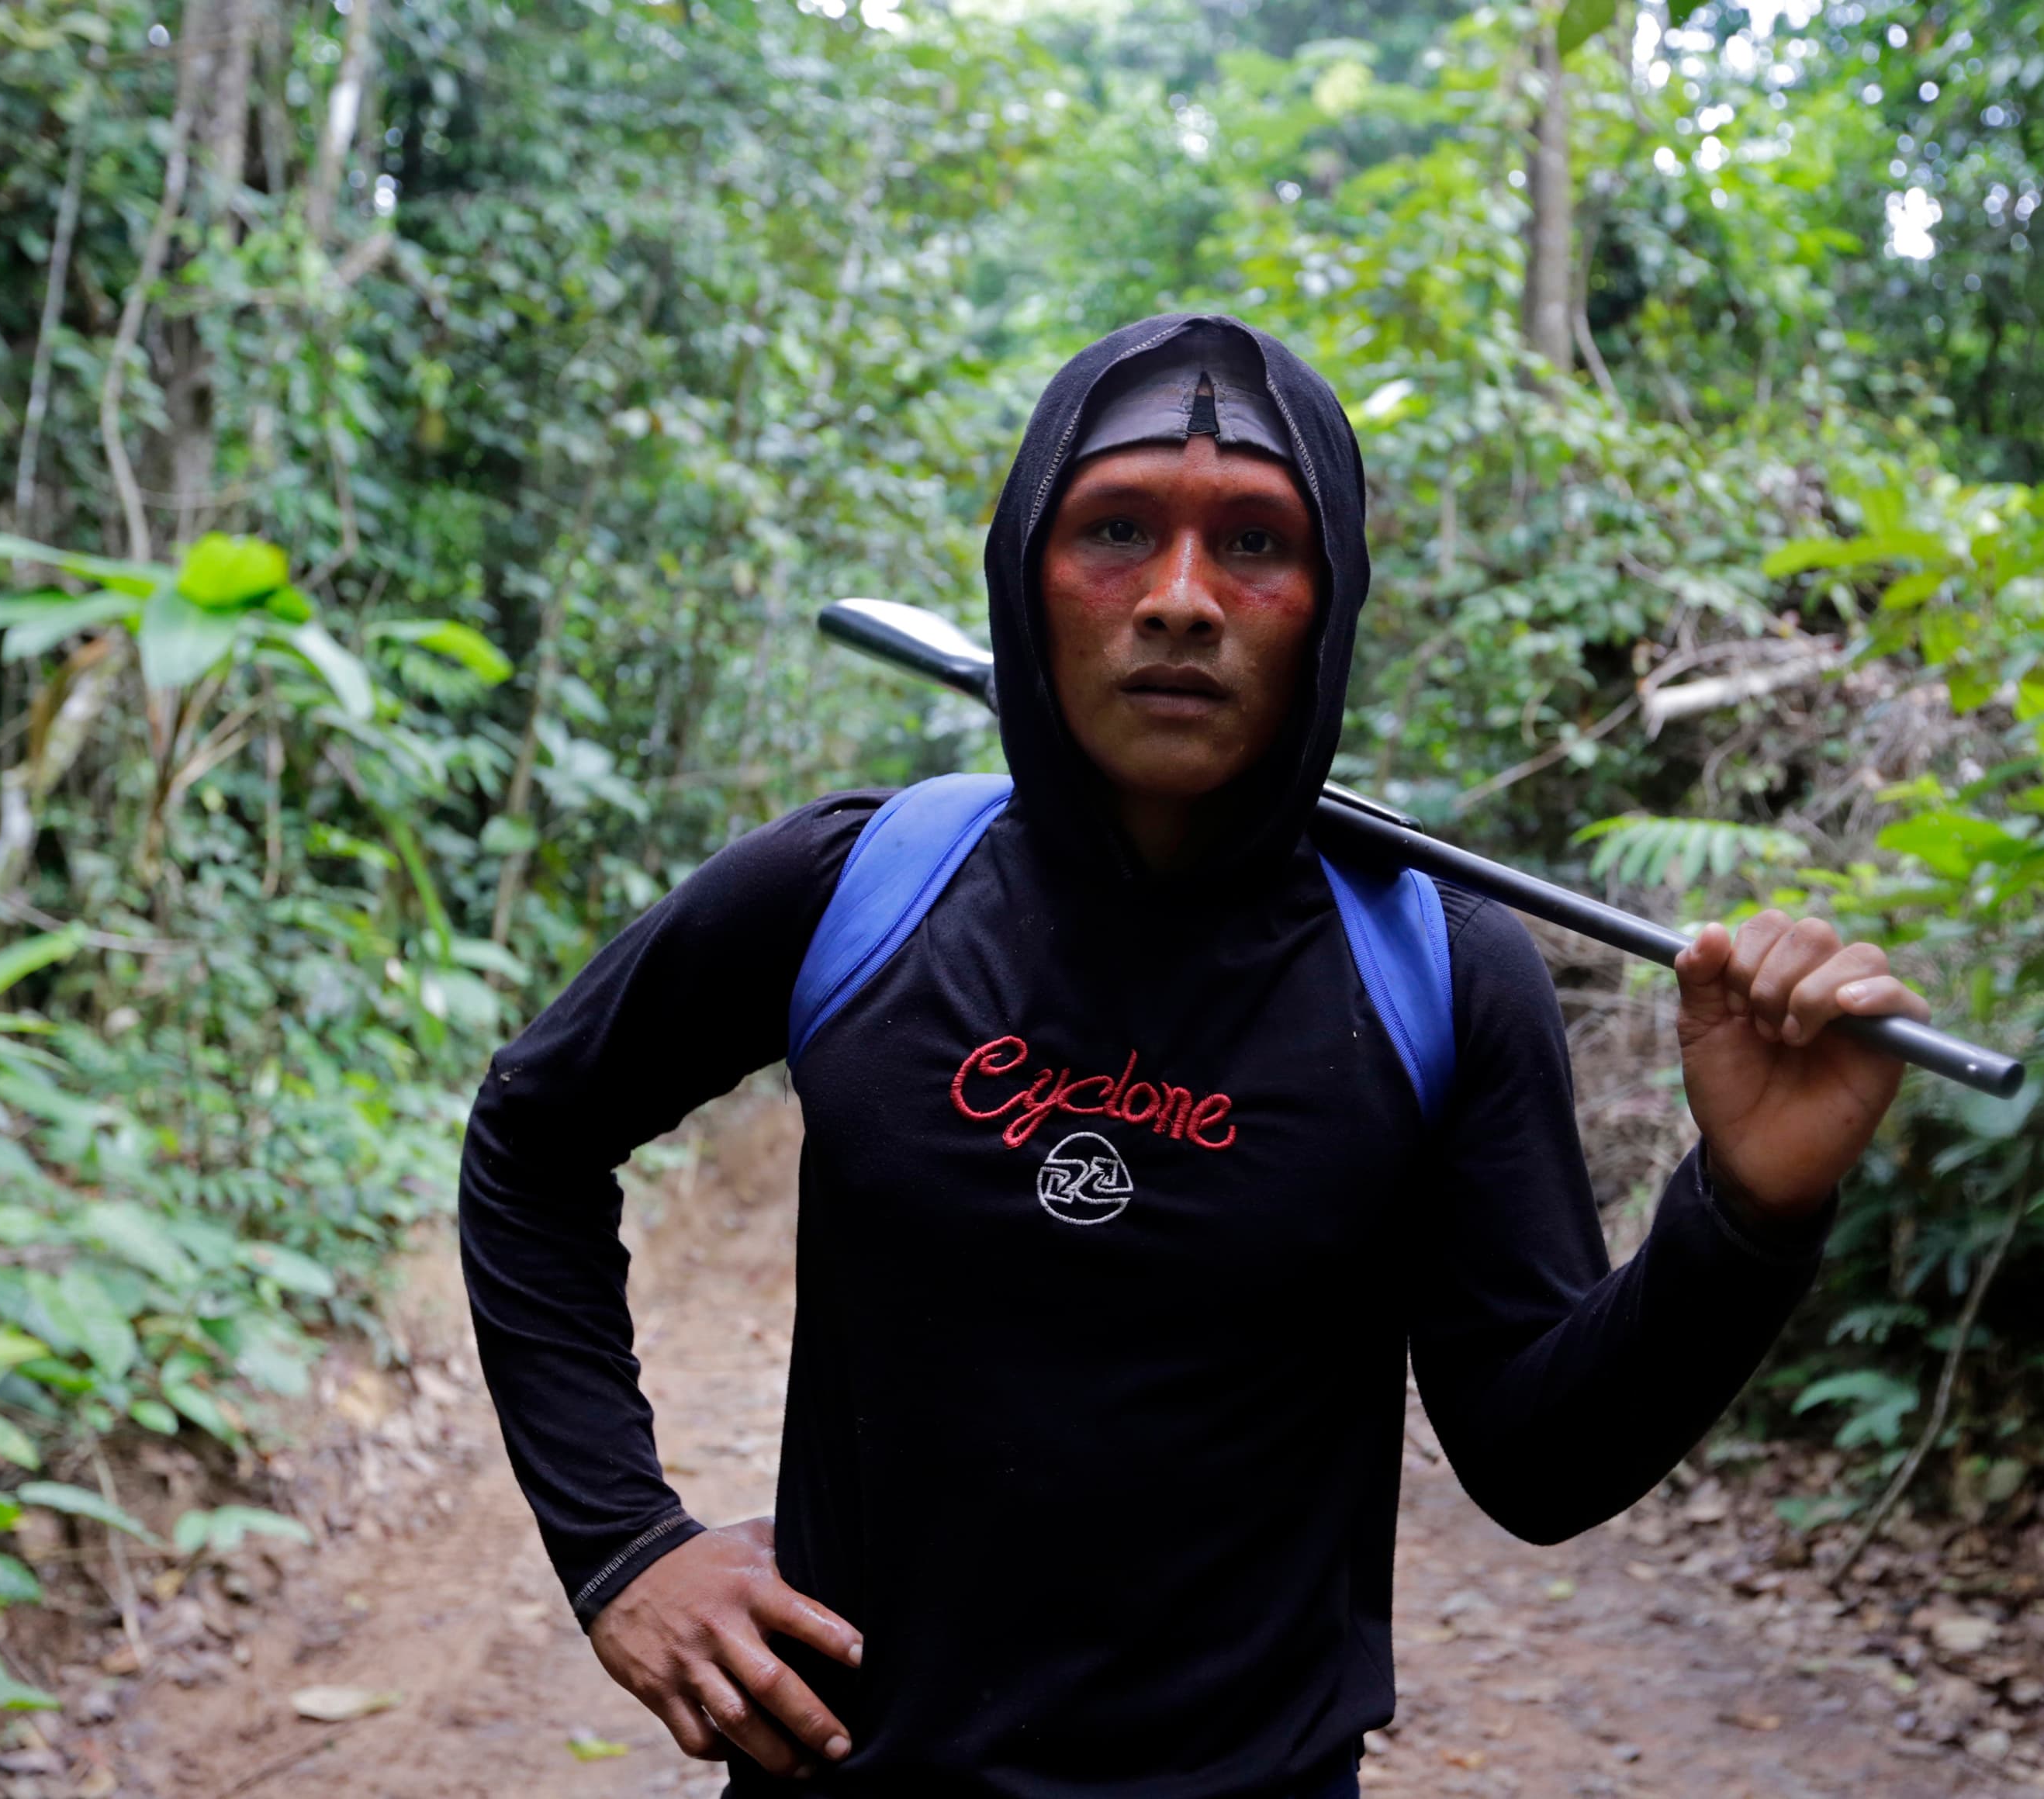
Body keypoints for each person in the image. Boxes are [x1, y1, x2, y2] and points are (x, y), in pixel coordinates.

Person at [455, 314, 1931, 1798]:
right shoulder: (853, 887)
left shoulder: (1437, 969)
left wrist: (1747, 1216)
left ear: (1328, 602)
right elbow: (533, 1137)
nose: (1178, 600)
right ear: (1026, 573)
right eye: (1114, 529)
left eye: (1253, 544)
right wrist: (624, 1546)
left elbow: (1538, 1459)